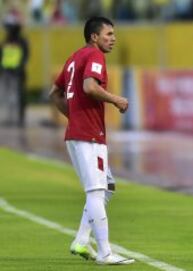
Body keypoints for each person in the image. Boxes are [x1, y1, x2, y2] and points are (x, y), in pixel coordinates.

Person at [49, 16, 134, 265]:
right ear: (94, 37)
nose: (113, 38)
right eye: (108, 34)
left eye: (114, 34)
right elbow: (89, 87)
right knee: (97, 192)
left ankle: (82, 239)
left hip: (78, 133)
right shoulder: (95, 56)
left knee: (107, 186)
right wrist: (116, 99)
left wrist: (72, 116)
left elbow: (54, 93)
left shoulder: (74, 57)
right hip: (89, 135)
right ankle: (105, 252)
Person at [0, 13, 29, 127]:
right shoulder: (5, 41)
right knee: (6, 96)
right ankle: (8, 118)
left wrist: (19, 67)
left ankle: (18, 119)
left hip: (17, 74)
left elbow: (25, 56)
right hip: (6, 73)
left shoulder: (21, 41)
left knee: (17, 96)